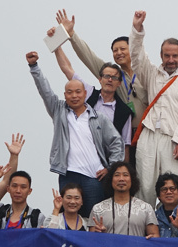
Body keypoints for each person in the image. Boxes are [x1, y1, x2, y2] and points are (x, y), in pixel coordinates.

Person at [27, 50, 124, 217]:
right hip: (68, 174)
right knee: (69, 219)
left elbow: (117, 143)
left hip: (94, 178)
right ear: (65, 95)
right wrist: (34, 66)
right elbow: (45, 91)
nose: (74, 96)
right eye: (70, 92)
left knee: (94, 219)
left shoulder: (98, 117)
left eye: (78, 92)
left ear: (85, 94)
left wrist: (110, 167)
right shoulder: (59, 111)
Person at [129, 10, 178, 205]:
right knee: (144, 185)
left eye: (175, 56)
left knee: (172, 187)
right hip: (149, 134)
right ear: (161, 55)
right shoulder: (151, 73)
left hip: (173, 138)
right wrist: (137, 29)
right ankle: (146, 228)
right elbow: (136, 57)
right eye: (167, 56)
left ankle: (172, 230)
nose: (171, 60)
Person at [55, 9, 148, 139]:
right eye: (115, 50)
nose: (118, 52)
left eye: (122, 49)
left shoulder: (146, 74)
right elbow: (88, 57)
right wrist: (71, 35)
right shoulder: (114, 76)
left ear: (132, 50)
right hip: (123, 134)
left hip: (147, 134)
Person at [46, 26, 134, 159]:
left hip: (107, 164)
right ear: (100, 79)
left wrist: (123, 172)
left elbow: (125, 145)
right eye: (106, 76)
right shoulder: (89, 94)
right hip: (81, 157)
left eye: (114, 77)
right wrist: (56, 44)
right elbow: (67, 69)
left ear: (119, 83)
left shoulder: (124, 112)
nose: (109, 80)